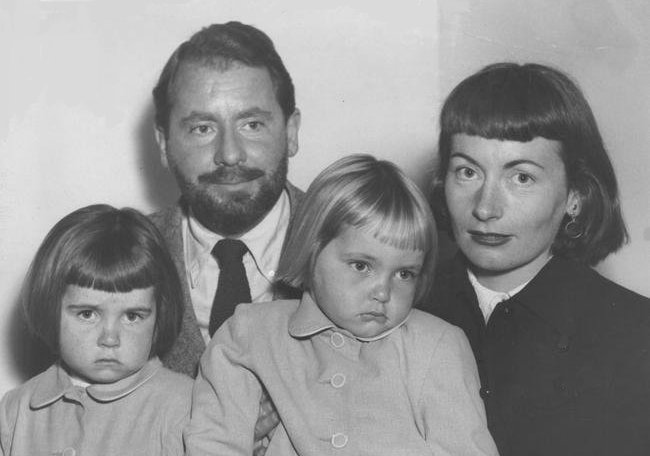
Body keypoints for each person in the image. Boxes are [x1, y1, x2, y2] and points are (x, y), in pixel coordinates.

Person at [185, 154, 498, 456]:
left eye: (404, 273)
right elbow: (214, 443)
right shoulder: (248, 333)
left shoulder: (437, 345)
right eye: (362, 266)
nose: (384, 292)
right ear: (312, 249)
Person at [422, 62, 650, 456]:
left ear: (575, 196)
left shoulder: (636, 336)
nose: (486, 208)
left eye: (521, 177)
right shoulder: (402, 310)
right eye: (467, 172)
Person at [150, 21, 304, 378]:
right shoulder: (119, 254)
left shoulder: (356, 243)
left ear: (291, 132)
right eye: (202, 128)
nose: (230, 154)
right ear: (163, 144)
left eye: (252, 124)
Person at [0, 205, 191, 456]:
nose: (110, 338)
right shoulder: (16, 409)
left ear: (159, 316)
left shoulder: (187, 405)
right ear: (50, 308)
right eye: (87, 314)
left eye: (132, 316)